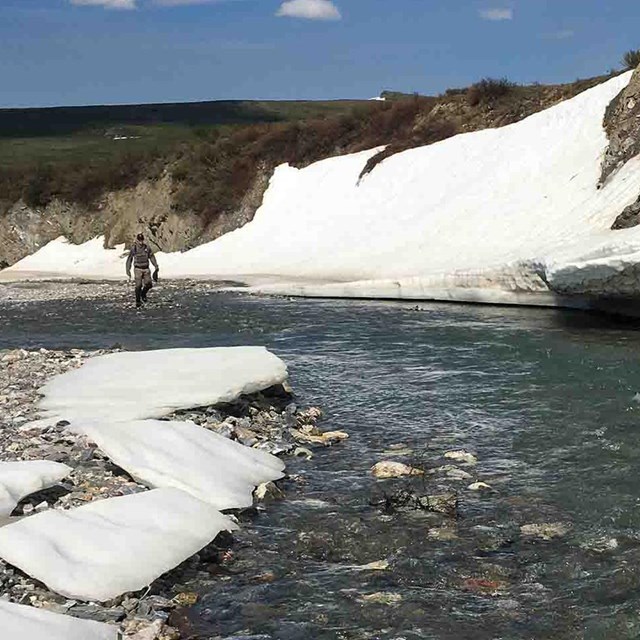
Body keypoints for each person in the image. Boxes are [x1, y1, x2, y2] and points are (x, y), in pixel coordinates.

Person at [126, 233, 159, 307]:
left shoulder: (147, 248)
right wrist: (128, 269)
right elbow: (129, 259)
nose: (140, 242)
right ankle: (138, 301)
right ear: (137, 240)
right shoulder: (134, 248)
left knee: (149, 284)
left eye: (142, 240)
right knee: (138, 286)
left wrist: (156, 266)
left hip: (146, 268)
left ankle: (143, 294)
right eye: (139, 240)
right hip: (138, 269)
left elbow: (151, 257)